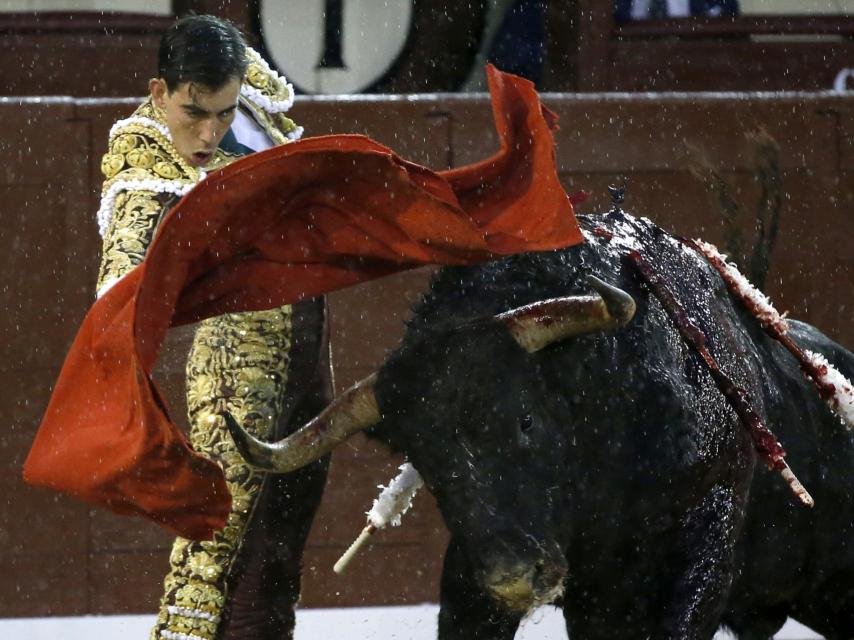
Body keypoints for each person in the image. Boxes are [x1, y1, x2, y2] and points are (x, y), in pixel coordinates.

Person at [95, 15, 331, 640]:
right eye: (193, 112)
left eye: (223, 114)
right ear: (158, 92)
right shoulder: (143, 167)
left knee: (278, 561)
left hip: (309, 357)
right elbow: (116, 288)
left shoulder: (240, 95)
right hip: (237, 380)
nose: (208, 132)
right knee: (220, 561)